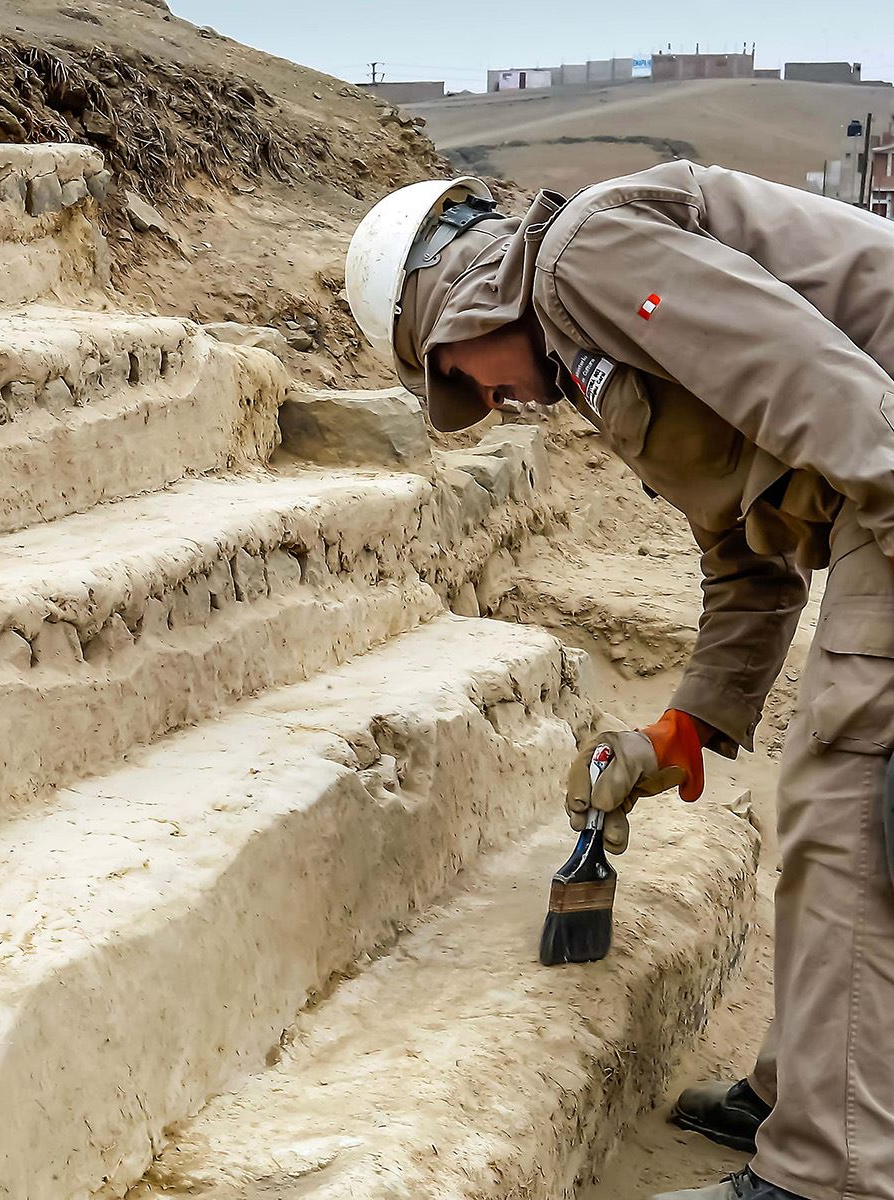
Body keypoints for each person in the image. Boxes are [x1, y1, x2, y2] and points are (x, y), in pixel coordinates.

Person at [344, 161, 894, 1200]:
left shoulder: (582, 262)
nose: (490, 402)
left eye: (458, 373)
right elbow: (750, 560)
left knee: (850, 804)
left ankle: (827, 1176)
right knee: (839, 812)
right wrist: (682, 731)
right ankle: (805, 1093)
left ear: (464, 295)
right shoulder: (591, 355)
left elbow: (837, 401)